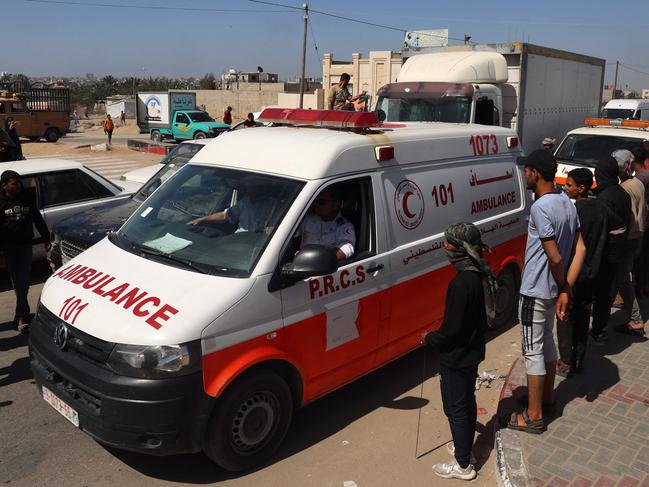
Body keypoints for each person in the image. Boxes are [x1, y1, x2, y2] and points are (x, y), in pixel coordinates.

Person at [508, 150, 585, 434]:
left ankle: (534, 415)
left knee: (533, 350)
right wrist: (565, 287)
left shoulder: (541, 208)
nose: (525, 175)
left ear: (535, 173)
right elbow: (581, 249)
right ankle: (547, 399)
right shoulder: (567, 202)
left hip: (535, 291)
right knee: (547, 343)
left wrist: (562, 284)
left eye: (526, 171)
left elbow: (554, 257)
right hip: (553, 291)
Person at [423, 223, 496, 481]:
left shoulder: (461, 284)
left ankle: (463, 464)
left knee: (456, 409)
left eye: (448, 243)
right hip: (472, 353)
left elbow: (450, 331)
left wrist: (429, 339)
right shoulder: (476, 274)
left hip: (456, 357)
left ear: (459, 249)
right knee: (466, 403)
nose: (445, 247)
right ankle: (464, 447)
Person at [557, 168, 623, 376]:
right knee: (584, 315)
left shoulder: (573, 211)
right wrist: (603, 251)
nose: (564, 188)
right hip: (592, 273)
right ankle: (579, 360)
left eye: (568, 185)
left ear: (581, 188)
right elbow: (620, 228)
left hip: (573, 274)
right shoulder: (601, 208)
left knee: (565, 316)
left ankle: (566, 361)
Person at [0, 170, 51, 332]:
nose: (18, 186)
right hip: (8, 248)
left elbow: (36, 217)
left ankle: (21, 316)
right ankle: (22, 315)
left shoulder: (26, 198)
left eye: (19, 182)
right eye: (14, 183)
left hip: (25, 246)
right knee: (18, 282)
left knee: (23, 281)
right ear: (4, 185)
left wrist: (46, 237)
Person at [590, 154, 631, 344]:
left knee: (601, 295)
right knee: (606, 293)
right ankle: (601, 327)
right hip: (619, 251)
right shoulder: (621, 192)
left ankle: (598, 331)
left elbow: (602, 230)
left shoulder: (605, 197)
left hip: (606, 255)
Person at [611, 149, 646, 336]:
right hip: (637, 236)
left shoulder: (625, 189)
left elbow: (626, 218)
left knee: (622, 279)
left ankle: (636, 319)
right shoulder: (637, 183)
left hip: (628, 239)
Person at [295, 188, 355, 261]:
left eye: (321, 202)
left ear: (336, 204)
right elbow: (290, 233)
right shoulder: (307, 219)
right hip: (301, 260)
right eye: (315, 201)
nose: (316, 205)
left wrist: (321, 259)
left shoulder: (344, 226)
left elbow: (346, 249)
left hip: (321, 265)